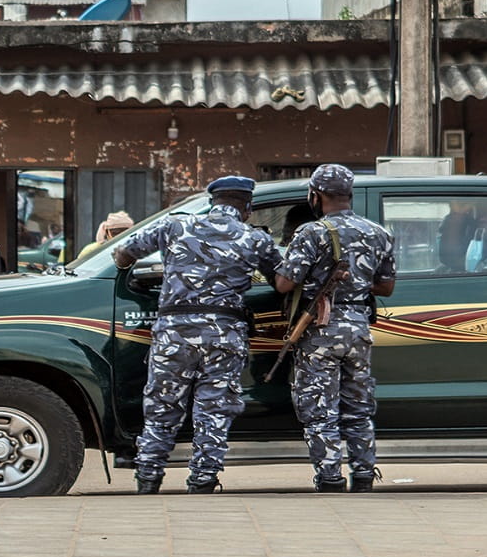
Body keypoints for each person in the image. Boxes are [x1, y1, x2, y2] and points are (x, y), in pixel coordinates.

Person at [113, 175, 281, 494]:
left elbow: (124, 254)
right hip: (224, 335)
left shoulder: (175, 225)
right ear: (247, 208)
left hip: (174, 334)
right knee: (214, 410)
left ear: (212, 202)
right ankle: (203, 479)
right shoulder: (255, 238)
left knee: (162, 406)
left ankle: (148, 477)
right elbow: (282, 282)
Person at [271, 164, 396, 492]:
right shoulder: (378, 233)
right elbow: (386, 287)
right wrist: (356, 284)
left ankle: (330, 478)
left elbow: (284, 284)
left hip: (321, 332)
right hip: (358, 328)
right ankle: (364, 476)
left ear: (316, 195)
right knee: (358, 408)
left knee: (320, 410)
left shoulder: (311, 233)